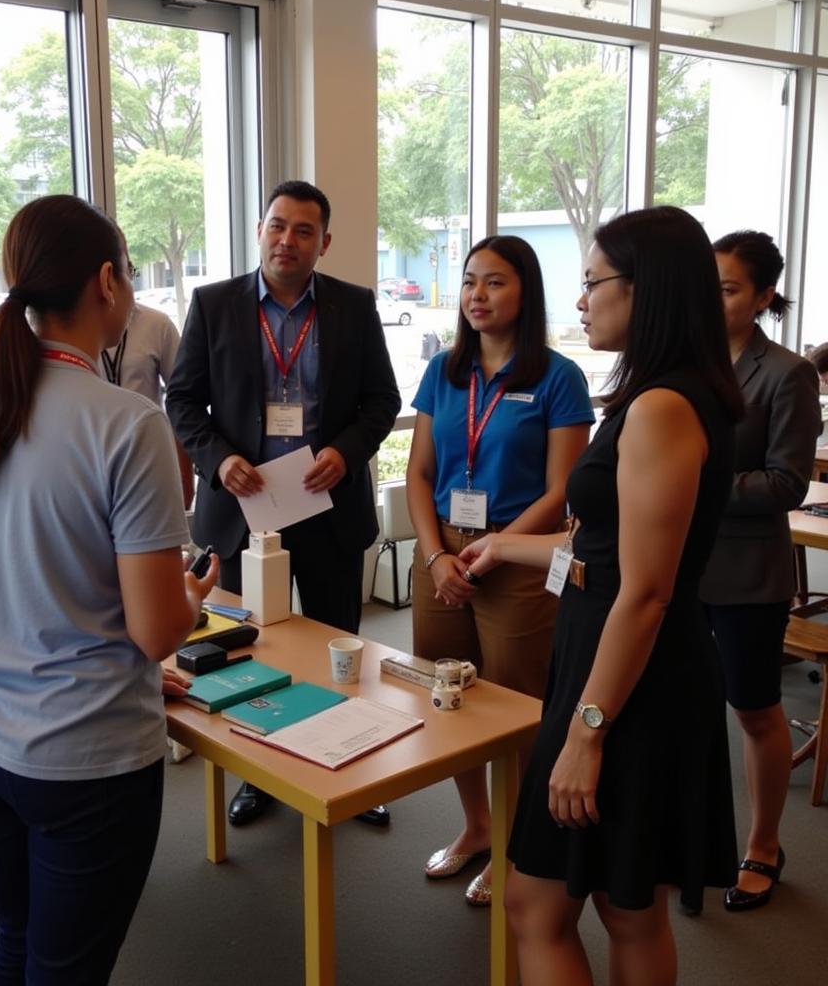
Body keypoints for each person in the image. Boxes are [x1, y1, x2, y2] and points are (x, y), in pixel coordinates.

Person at [0, 194, 220, 984]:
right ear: (108, 282)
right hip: (81, 761)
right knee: (63, 968)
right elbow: (156, 633)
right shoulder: (126, 423)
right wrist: (191, 597)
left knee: (16, 942)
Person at [460, 206, 743, 984]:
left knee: (541, 907)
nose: (580, 301)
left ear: (645, 290)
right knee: (625, 906)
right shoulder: (668, 395)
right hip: (622, 660)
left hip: (627, 681)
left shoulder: (660, 408)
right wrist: (506, 546)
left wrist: (587, 730)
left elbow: (646, 593)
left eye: (593, 284)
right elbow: (607, 549)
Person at [166, 180, 401, 827]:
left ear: (324, 242)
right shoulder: (214, 305)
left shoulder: (354, 307)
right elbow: (182, 401)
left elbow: (382, 399)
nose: (287, 240)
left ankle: (352, 769)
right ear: (260, 230)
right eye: (277, 225)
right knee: (249, 648)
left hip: (326, 501)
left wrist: (347, 452)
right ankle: (258, 774)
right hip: (246, 511)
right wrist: (220, 460)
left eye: (303, 230)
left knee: (338, 643)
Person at [406, 235, 594, 906]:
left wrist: (493, 549)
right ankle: (477, 827)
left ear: (526, 293)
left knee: (514, 712)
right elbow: (419, 473)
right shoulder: (445, 372)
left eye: (495, 282)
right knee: (450, 702)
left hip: (518, 559)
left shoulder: (558, 378)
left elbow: (561, 490)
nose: (477, 296)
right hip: (444, 558)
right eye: (468, 282)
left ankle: (517, 846)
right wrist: (435, 556)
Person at [699, 230, 821, 912]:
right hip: (679, 566)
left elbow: (787, 484)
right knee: (686, 709)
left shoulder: (786, 372)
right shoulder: (689, 362)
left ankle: (765, 843)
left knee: (752, 710)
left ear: (763, 295)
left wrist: (695, 483)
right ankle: (694, 839)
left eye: (728, 288)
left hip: (748, 572)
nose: (712, 301)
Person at [102, 300, 196, 509]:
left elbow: (183, 403)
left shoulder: (157, 323)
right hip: (92, 463)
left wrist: (185, 479)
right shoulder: (74, 325)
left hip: (147, 461)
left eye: (131, 271)